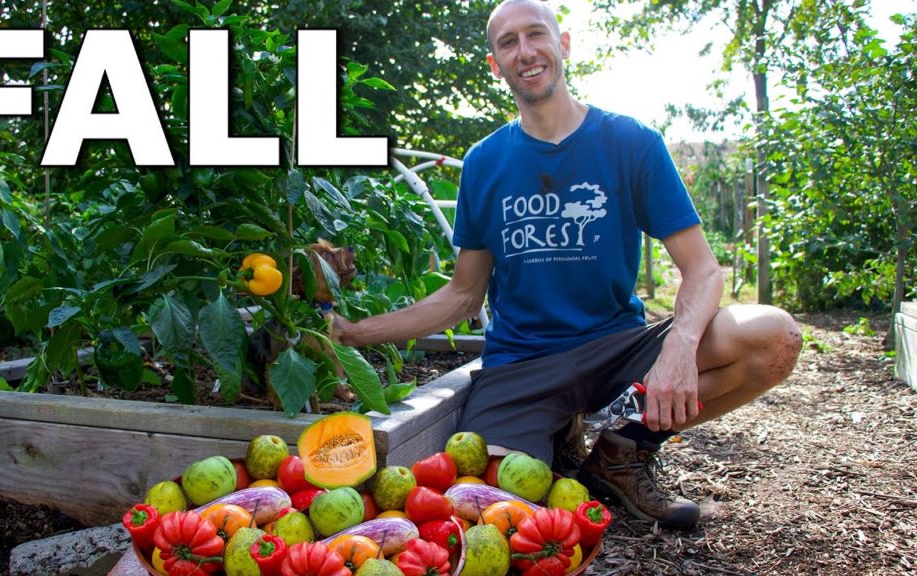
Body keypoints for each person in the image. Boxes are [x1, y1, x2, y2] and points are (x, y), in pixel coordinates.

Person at [331, 0, 802, 530]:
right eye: (508, 42)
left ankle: (621, 455)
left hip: (617, 349)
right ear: (495, 64)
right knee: (496, 510)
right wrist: (352, 332)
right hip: (524, 364)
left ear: (564, 45)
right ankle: (555, 429)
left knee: (772, 337)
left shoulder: (630, 143)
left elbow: (703, 270)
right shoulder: (486, 162)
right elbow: (462, 296)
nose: (525, 51)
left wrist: (679, 349)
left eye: (536, 35)